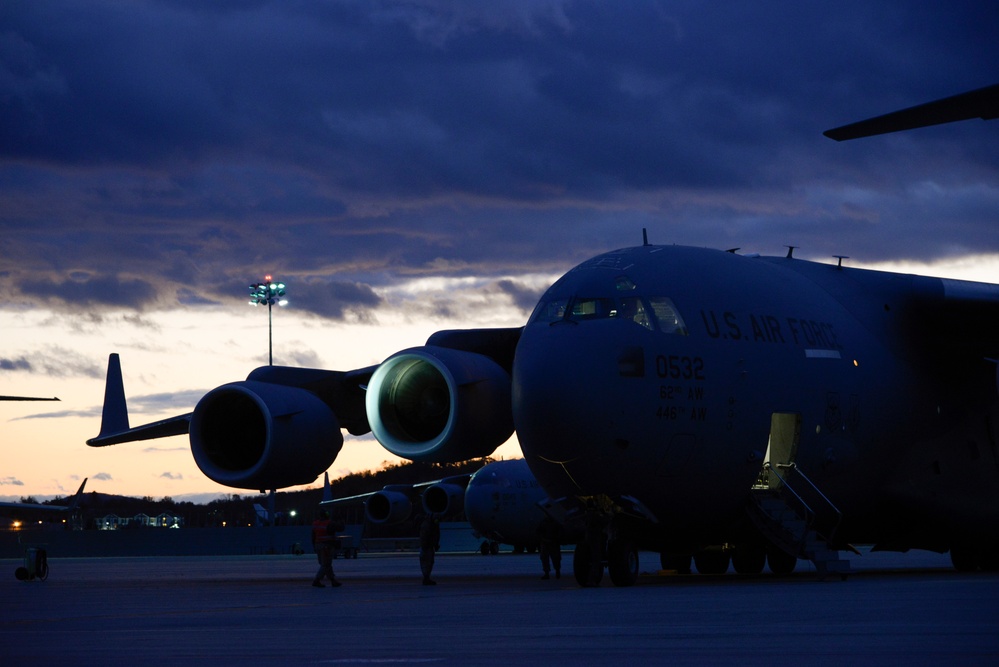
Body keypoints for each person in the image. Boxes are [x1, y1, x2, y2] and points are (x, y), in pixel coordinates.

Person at [311, 510, 342, 588]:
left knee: (326, 564)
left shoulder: (315, 523)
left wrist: (314, 545)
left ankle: (333, 581)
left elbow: (313, 535)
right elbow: (341, 528)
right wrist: (340, 519)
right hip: (327, 546)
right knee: (325, 565)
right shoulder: (330, 523)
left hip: (318, 545)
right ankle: (317, 580)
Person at [537, 515, 562, 580]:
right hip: (548, 543)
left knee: (555, 558)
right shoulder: (546, 523)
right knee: (546, 558)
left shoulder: (553, 523)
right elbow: (539, 532)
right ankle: (549, 572)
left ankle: (555, 571)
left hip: (551, 542)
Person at [419, 513, 441, 585]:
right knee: (426, 562)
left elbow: (436, 535)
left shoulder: (433, 525)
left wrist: (435, 544)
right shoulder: (427, 526)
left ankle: (427, 577)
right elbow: (425, 537)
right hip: (426, 546)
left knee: (429, 561)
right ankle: (426, 577)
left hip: (429, 546)